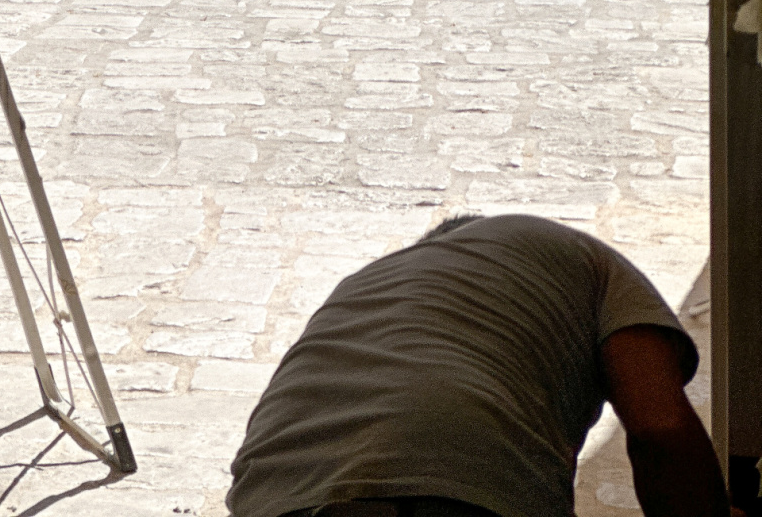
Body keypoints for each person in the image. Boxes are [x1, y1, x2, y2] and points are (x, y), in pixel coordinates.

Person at [227, 212, 731, 517]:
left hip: (272, 493)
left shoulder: (365, 282)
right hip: (459, 484)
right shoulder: (575, 252)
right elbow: (660, 426)